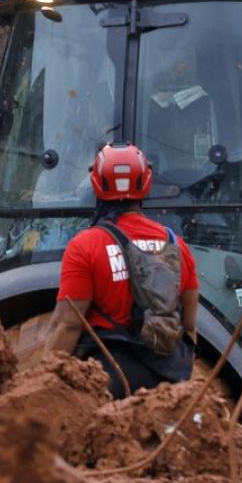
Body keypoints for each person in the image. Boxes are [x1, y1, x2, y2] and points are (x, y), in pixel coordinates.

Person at [43, 142, 199, 399]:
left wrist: (44, 387)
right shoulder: (177, 245)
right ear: (146, 183)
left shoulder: (85, 246)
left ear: (96, 183)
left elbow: (67, 325)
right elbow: (189, 326)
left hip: (108, 382)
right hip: (167, 384)